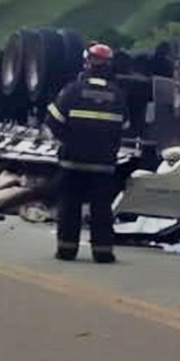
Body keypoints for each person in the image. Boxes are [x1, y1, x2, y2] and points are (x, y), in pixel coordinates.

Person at [46, 43, 129, 263]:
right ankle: (102, 252)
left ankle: (66, 249)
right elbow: (125, 126)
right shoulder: (118, 96)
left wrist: (69, 140)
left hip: (73, 162)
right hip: (103, 164)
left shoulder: (72, 91)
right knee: (101, 210)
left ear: (87, 63)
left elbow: (52, 120)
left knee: (69, 207)